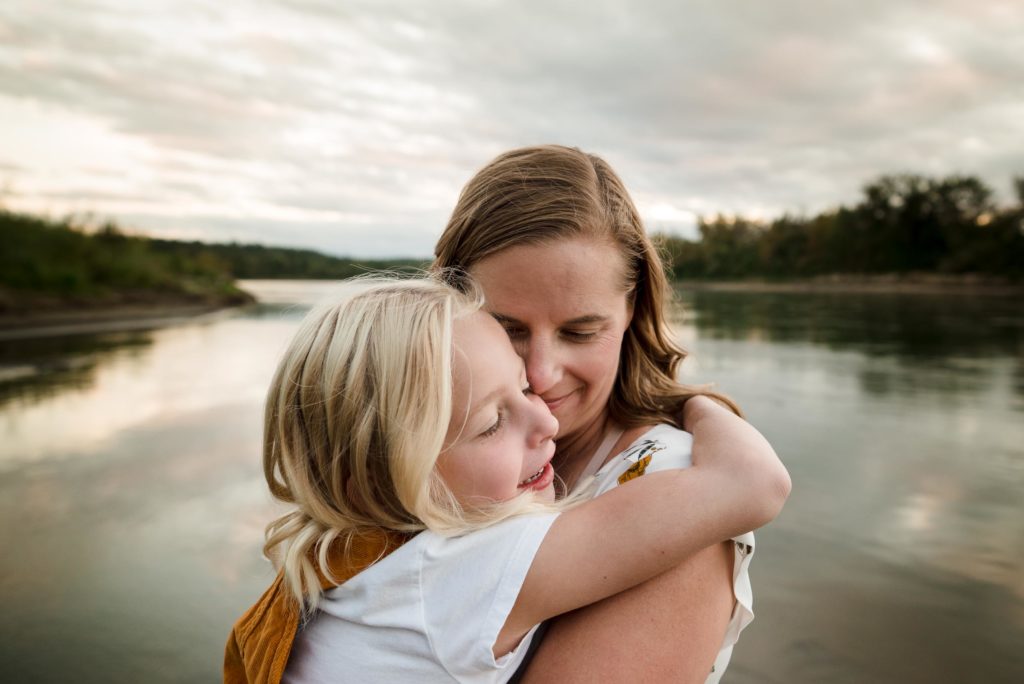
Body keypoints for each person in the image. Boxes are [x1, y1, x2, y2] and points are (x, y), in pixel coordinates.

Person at [223, 278, 789, 683]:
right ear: (371, 477)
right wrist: (689, 402)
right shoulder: (465, 567)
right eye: (493, 423)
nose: (546, 420)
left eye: (522, 389)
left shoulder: (353, 559)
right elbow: (752, 483)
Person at [433, 144, 773, 682]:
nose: (542, 374)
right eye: (509, 328)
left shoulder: (681, 495)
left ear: (632, 309)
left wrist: (694, 404)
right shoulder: (411, 450)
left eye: (580, 331)